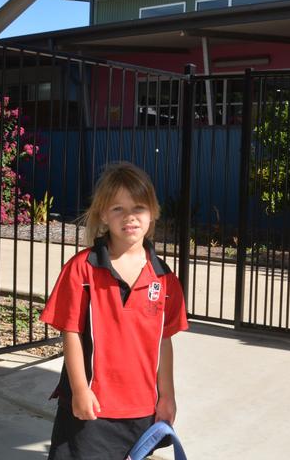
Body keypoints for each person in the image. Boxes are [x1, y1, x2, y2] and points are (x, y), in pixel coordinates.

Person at [41, 162, 188, 460]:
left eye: (138, 207)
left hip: (141, 409)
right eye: (118, 208)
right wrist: (80, 390)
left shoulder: (166, 280)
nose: (130, 217)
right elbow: (70, 333)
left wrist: (167, 396)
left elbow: (164, 341)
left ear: (153, 213)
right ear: (103, 215)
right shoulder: (81, 269)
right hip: (92, 407)